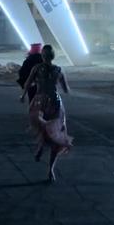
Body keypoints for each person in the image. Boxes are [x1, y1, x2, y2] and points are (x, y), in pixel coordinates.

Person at [20, 45, 73, 182]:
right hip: (55, 103)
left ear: (42, 56)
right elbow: (66, 90)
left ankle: (41, 147)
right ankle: (50, 170)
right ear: (53, 56)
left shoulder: (37, 68)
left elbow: (27, 83)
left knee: (44, 128)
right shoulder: (59, 70)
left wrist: (23, 95)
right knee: (57, 135)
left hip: (39, 102)